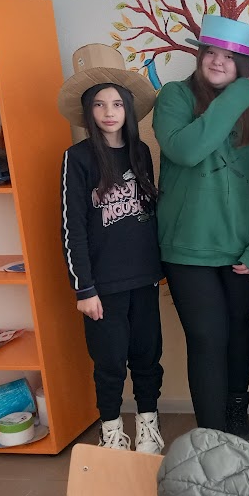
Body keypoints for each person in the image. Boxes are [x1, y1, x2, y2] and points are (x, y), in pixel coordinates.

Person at [153, 15, 249, 442]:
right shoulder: (175, 96)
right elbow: (187, 150)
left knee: (239, 331)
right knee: (207, 338)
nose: (219, 61)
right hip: (187, 247)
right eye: (211, 52)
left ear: (242, 63)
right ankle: (211, 434)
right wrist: (241, 92)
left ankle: (236, 411)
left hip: (242, 248)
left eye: (230, 56)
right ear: (200, 55)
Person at [57, 49, 164, 452]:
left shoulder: (141, 153)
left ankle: (148, 425)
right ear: (88, 111)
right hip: (102, 287)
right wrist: (84, 288)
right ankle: (111, 430)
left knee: (147, 357)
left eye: (117, 104)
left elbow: (150, 215)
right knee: (109, 362)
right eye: (99, 104)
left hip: (144, 278)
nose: (109, 112)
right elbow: (72, 226)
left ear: (128, 109)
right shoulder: (77, 159)